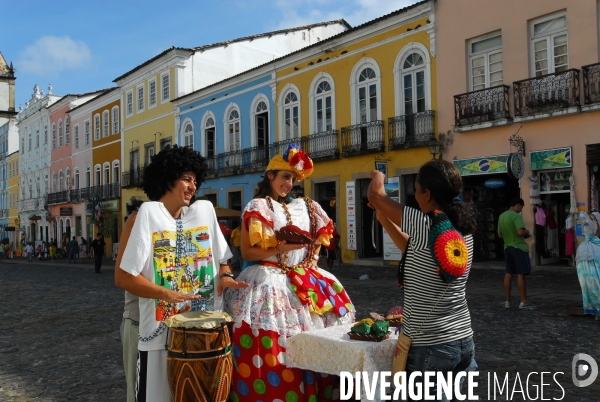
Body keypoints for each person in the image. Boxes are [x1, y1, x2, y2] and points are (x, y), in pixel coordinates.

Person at [115, 145, 248, 402]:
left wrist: (225, 277)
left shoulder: (200, 217)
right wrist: (166, 293)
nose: (193, 186)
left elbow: (221, 260)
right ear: (168, 178)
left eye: (195, 181)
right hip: (140, 325)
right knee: (145, 393)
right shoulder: (139, 219)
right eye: (187, 179)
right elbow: (123, 278)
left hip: (189, 330)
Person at [225, 144, 355, 402]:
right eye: (285, 176)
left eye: (293, 179)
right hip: (266, 281)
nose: (289, 183)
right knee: (272, 342)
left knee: (311, 340)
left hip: (299, 280)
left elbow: (319, 242)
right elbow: (249, 254)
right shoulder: (258, 205)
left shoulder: (307, 207)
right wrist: (281, 247)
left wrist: (309, 261)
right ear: (270, 175)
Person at [367, 159, 476, 400]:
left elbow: (375, 195)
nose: (414, 197)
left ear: (427, 194)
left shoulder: (425, 223)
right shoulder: (461, 230)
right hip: (462, 339)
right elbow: (414, 249)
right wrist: (386, 221)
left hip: (431, 344)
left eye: (415, 190)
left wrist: (378, 175)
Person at [498, 197, 536, 310]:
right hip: (519, 247)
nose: (521, 210)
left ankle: (507, 301)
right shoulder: (516, 216)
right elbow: (520, 232)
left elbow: (500, 235)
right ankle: (523, 302)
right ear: (517, 205)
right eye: (521, 207)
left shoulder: (502, 216)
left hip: (507, 247)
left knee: (508, 273)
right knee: (521, 274)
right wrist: (526, 232)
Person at [575, 212, 600, 321]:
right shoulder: (593, 230)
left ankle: (593, 308)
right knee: (594, 282)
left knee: (588, 284)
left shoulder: (587, 241)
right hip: (591, 253)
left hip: (584, 252)